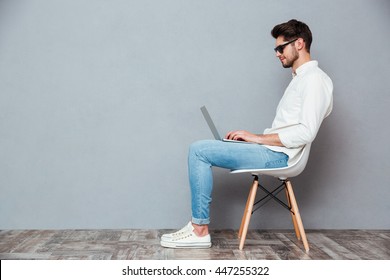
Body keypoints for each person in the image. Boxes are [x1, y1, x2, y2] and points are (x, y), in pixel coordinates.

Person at [160, 19, 333, 248]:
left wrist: (256, 138)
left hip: (281, 157)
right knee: (207, 147)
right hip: (273, 151)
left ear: (299, 43)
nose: (277, 54)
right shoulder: (302, 80)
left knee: (199, 150)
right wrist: (252, 139)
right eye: (276, 49)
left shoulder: (314, 81)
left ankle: (199, 230)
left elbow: (305, 132)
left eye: (281, 48)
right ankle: (198, 228)